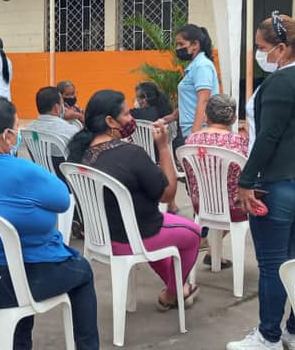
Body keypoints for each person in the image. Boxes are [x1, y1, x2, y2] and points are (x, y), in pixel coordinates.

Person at [0, 96, 115, 350]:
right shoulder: (22, 171)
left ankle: (20, 348)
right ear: (7, 135)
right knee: (80, 269)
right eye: (16, 127)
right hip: (9, 285)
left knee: (21, 256)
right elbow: (62, 200)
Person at [226, 12, 295, 350]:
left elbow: (268, 136)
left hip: (279, 185)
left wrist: (246, 181)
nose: (258, 53)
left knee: (272, 266)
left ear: (281, 48)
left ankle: (268, 338)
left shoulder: (280, 83)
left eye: (261, 47)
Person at [68, 90, 201, 311]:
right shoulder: (131, 154)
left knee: (157, 230)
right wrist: (163, 147)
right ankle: (173, 293)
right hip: (133, 237)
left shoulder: (80, 154)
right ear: (110, 121)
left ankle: (180, 287)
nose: (132, 118)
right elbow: (168, 194)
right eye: (127, 114)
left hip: (102, 236)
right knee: (193, 233)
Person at [184, 93, 249, 269]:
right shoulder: (239, 142)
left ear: (206, 116)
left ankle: (213, 253)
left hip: (201, 204)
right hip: (232, 206)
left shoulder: (191, 140)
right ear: (234, 118)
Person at [156, 24, 219, 139]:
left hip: (200, 131)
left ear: (195, 45)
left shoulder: (202, 66)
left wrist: (195, 134)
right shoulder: (195, 66)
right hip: (191, 129)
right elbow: (191, 100)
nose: (178, 48)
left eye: (181, 44)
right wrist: (170, 118)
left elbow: (204, 101)